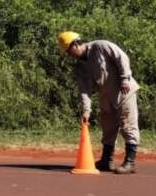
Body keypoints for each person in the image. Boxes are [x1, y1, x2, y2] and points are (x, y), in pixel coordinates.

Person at [58, 31, 140, 174]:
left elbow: (122, 58)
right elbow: (85, 91)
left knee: (128, 125)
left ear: (76, 44)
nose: (68, 55)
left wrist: (125, 79)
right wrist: (86, 111)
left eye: (68, 51)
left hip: (124, 91)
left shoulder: (101, 46)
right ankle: (106, 160)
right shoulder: (80, 67)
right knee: (108, 128)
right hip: (106, 96)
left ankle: (130, 162)